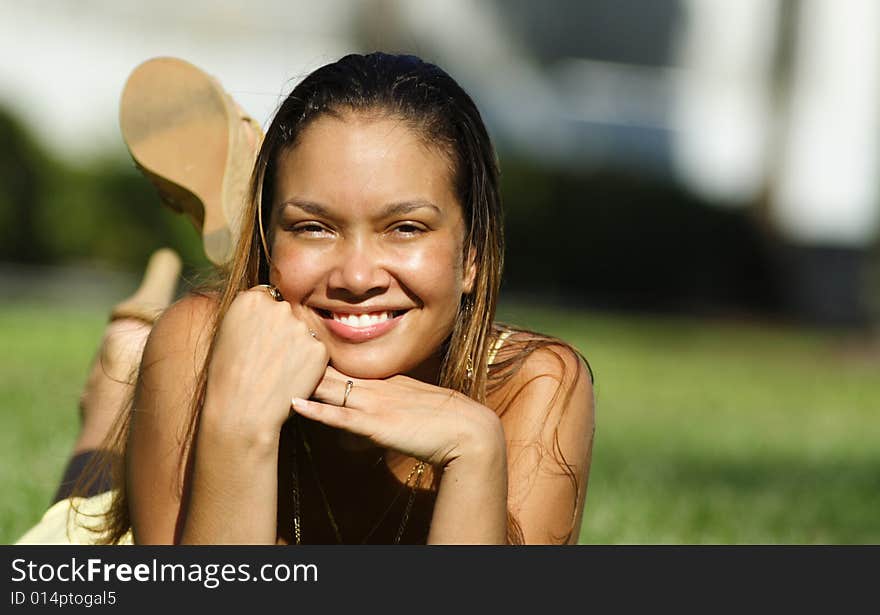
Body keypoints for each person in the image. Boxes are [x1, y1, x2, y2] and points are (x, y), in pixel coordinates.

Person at [21, 52, 595, 545]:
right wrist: (238, 424)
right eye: (314, 227)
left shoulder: (533, 387)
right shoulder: (196, 346)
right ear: (272, 245)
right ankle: (120, 370)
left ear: (471, 256)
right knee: (90, 492)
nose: (356, 274)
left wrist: (476, 451)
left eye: (406, 228)